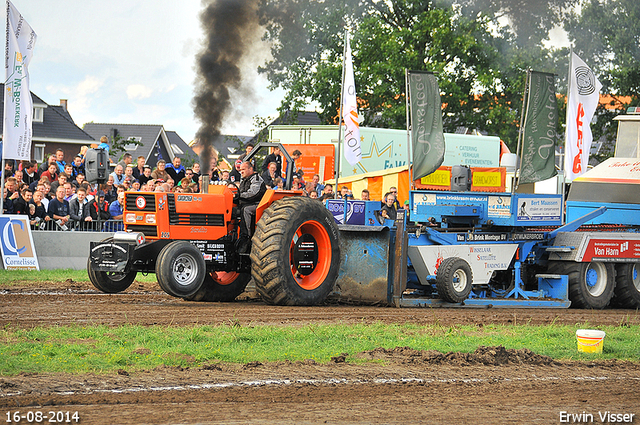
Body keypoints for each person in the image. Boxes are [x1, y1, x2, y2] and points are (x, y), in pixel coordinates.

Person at [237, 161, 266, 244]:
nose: (241, 171)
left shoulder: (256, 179)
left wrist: (239, 196)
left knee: (246, 210)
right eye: (240, 170)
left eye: (243, 169)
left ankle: (246, 236)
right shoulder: (244, 180)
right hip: (248, 202)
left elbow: (254, 193)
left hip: (258, 203)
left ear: (250, 169)